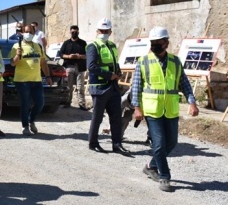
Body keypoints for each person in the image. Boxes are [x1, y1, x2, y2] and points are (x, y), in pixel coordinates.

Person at [132, 26, 199, 192]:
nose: (154, 45)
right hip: (152, 109)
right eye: (152, 42)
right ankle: (164, 177)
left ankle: (151, 166)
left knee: (172, 142)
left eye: (158, 42)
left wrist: (192, 102)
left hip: (170, 109)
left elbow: (184, 83)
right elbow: (136, 87)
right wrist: (137, 108)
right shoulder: (143, 61)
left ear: (166, 43)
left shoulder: (175, 61)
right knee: (159, 144)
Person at [86, 18, 129, 155]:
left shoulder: (111, 45)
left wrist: (118, 72)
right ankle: (93, 143)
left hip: (113, 87)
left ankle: (117, 144)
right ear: (97, 31)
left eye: (106, 31)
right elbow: (91, 66)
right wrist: (108, 75)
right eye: (102, 31)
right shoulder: (93, 45)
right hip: (99, 87)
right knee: (97, 117)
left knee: (116, 117)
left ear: (110, 31)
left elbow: (114, 62)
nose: (104, 33)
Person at [9, 24, 53, 135]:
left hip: (36, 80)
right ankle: (25, 126)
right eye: (26, 31)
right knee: (26, 103)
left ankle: (31, 120)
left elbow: (43, 62)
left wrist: (48, 77)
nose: (28, 34)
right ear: (22, 33)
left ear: (34, 33)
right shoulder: (16, 46)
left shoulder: (38, 46)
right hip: (22, 81)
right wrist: (17, 56)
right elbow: (12, 63)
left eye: (31, 32)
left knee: (40, 103)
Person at [59, 25, 88, 110]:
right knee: (69, 87)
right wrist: (69, 56)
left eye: (76, 32)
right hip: (69, 66)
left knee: (80, 87)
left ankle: (82, 104)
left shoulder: (83, 43)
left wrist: (79, 56)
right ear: (70, 32)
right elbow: (60, 54)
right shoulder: (66, 43)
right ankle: (68, 102)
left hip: (80, 67)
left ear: (78, 32)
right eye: (72, 32)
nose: (74, 33)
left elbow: (87, 55)